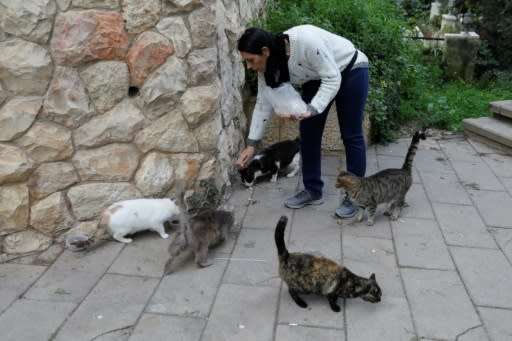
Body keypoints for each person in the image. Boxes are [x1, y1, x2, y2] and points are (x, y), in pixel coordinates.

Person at [236, 24, 369, 218]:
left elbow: (332, 78)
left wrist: (312, 109)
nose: (249, 66)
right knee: (308, 134)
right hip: (316, 78)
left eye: (250, 60)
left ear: (265, 51)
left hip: (351, 69)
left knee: (351, 134)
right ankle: (313, 190)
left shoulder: (305, 41)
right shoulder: (268, 66)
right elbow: (263, 104)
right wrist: (251, 145)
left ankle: (356, 196)